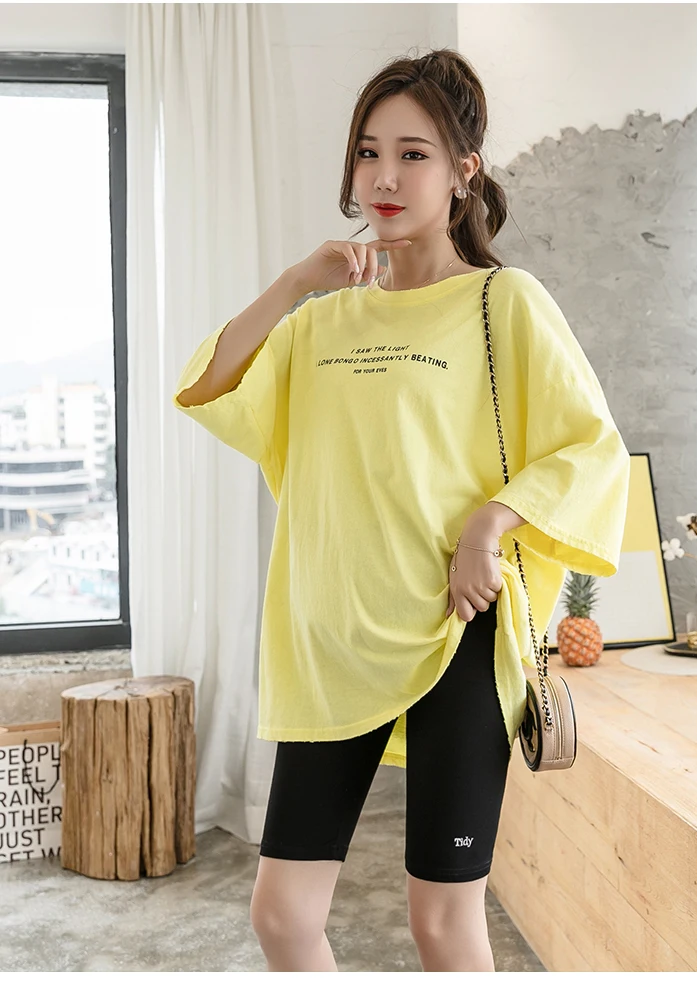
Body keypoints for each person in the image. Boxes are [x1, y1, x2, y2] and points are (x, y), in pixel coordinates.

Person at [172, 48, 630, 973]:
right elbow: (207, 387)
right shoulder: (319, 321)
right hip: (328, 641)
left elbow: (591, 448)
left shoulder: (505, 302)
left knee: (442, 923)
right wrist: (295, 283)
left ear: (464, 171)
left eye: (413, 155)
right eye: (368, 152)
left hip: (456, 630)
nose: (384, 177)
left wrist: (490, 524)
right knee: (282, 917)